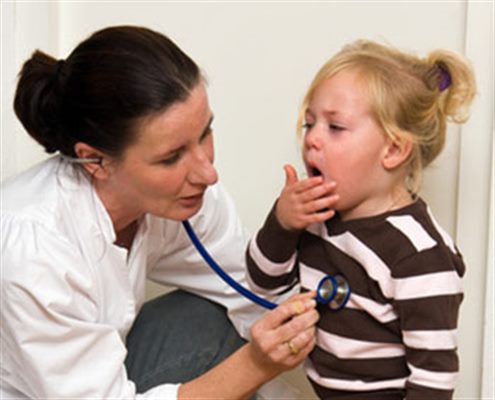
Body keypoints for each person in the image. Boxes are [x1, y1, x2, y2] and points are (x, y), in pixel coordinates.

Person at [0, 25, 320, 400]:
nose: (207, 172)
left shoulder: (186, 196)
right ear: (94, 161)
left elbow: (250, 292)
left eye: (205, 134)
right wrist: (256, 365)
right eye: (171, 157)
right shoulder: (35, 249)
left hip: (105, 374)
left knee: (209, 317)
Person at [246, 39, 476, 400]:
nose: (312, 140)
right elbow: (263, 283)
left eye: (335, 127)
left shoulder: (418, 254)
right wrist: (282, 223)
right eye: (310, 124)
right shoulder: (318, 219)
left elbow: (433, 379)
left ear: (394, 150)